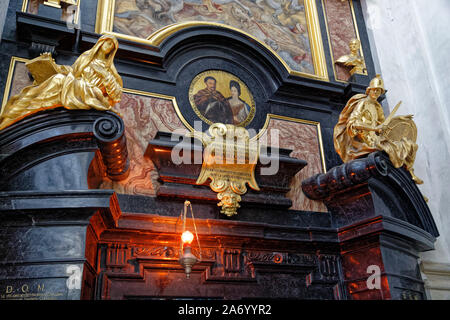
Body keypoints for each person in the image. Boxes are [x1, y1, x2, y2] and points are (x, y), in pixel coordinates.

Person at [0, 34, 123, 130]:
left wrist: (105, 75)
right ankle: (17, 113)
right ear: (101, 43)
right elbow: (73, 71)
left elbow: (116, 95)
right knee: (54, 80)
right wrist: (53, 65)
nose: (108, 47)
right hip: (77, 86)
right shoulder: (86, 58)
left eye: (111, 47)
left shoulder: (109, 69)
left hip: (91, 93)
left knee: (59, 80)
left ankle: (21, 113)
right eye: (107, 43)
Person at [333, 74, 423, 184]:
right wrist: (373, 128)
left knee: (410, 145)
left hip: (376, 138)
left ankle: (410, 175)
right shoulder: (362, 103)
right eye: (374, 90)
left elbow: (384, 124)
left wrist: (399, 119)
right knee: (393, 148)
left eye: (378, 91)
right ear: (369, 90)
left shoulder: (377, 107)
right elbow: (353, 123)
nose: (376, 93)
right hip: (365, 140)